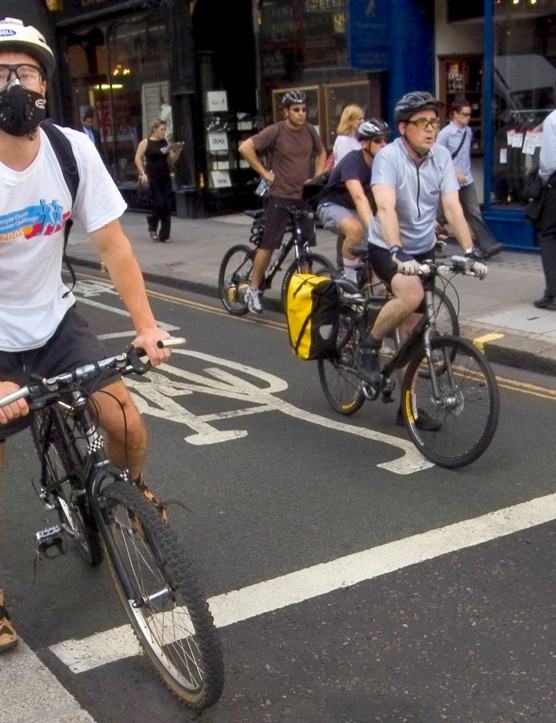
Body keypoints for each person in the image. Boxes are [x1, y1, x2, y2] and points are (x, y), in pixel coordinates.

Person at [0, 17, 173, 653]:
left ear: (45, 83)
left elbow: (114, 245)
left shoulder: (71, 149)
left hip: (55, 321)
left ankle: (133, 492)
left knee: (124, 423)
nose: (13, 84)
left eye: (24, 71)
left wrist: (147, 327)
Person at [362, 91, 487, 428]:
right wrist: (396, 250)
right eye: (423, 123)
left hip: (423, 247)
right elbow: (385, 207)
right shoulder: (389, 158)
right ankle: (369, 345)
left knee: (414, 331)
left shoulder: (441, 156)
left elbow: (452, 208)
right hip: (387, 246)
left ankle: (408, 408)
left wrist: (469, 249)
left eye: (434, 122)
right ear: (404, 128)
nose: (431, 129)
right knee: (412, 295)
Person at [238, 89, 327, 314]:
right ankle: (253, 289)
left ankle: (306, 292)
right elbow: (245, 147)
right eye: (296, 110)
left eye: (304, 110)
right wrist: (264, 173)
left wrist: (315, 179)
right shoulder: (276, 131)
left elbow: (321, 152)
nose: (301, 114)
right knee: (268, 245)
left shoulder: (309, 131)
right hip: (279, 197)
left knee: (305, 247)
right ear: (286, 111)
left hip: (302, 198)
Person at [317, 119, 390, 283]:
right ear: (364, 144)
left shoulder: (382, 164)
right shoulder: (353, 161)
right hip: (331, 205)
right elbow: (359, 198)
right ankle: (350, 284)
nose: (384, 144)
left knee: (382, 243)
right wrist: (373, 228)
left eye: (386, 140)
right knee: (355, 229)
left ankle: (374, 288)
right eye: (378, 140)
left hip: (354, 210)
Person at [436, 98, 504, 259]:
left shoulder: (468, 131)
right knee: (440, 214)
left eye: (469, 115)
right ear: (455, 114)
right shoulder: (445, 134)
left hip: (467, 179)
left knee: (474, 211)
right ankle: (434, 245)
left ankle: (486, 245)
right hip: (449, 179)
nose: (468, 118)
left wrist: (464, 174)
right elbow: (437, 158)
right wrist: (454, 173)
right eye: (464, 115)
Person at [134, 120, 183, 243]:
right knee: (158, 203)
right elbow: (137, 158)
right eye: (161, 129)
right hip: (153, 177)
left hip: (165, 176)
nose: (163, 132)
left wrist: (178, 150)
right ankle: (152, 226)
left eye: (164, 130)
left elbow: (172, 159)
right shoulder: (146, 142)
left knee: (167, 205)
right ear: (155, 129)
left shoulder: (165, 142)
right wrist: (142, 173)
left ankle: (165, 235)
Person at [533, 103, 556, 310]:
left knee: (548, 236)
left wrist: (542, 178)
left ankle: (553, 292)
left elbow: (548, 162)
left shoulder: (552, 119)